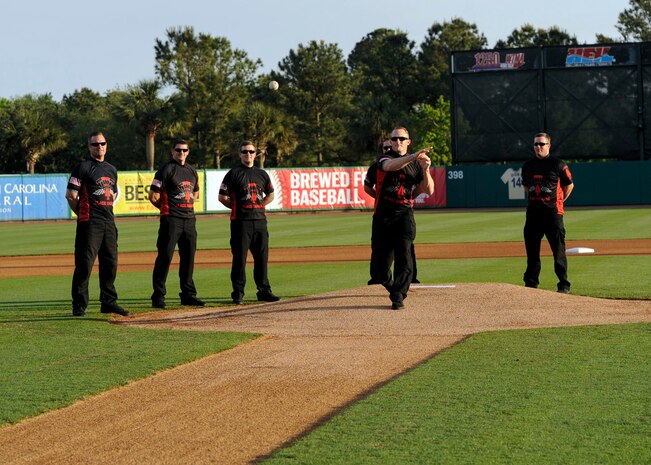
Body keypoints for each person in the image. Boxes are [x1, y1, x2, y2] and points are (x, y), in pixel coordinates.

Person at [370, 127, 434, 310]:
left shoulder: (417, 164)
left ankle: (398, 295)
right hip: (383, 216)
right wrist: (413, 157)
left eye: (401, 138)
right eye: (394, 139)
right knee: (379, 270)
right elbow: (390, 167)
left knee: (404, 254)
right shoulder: (385, 158)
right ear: (390, 142)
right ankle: (391, 286)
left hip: (404, 214)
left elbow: (429, 190)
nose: (397, 142)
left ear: (408, 141)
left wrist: (426, 169)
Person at [65, 132, 128, 317]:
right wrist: (83, 213)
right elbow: (71, 195)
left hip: (109, 221)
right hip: (90, 223)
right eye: (95, 144)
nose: (99, 147)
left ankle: (108, 302)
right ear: (89, 147)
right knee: (85, 264)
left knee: (110, 264)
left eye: (102, 143)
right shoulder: (82, 168)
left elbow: (114, 194)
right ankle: (79, 304)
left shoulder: (111, 169)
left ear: (106, 146)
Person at [218, 140, 280, 305]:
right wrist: (238, 207)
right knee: (240, 259)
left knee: (262, 258)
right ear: (240, 154)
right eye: (245, 152)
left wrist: (259, 205)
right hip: (241, 222)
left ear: (255, 154)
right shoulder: (233, 173)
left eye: (251, 152)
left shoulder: (262, 174)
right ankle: (238, 293)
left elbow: (271, 194)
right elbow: (222, 197)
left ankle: (264, 291)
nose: (248, 154)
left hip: (260, 221)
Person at [148, 139, 205, 309]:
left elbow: (195, 193)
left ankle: (188, 294)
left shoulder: (192, 171)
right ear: (172, 151)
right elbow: (153, 195)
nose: (181, 153)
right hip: (171, 220)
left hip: (189, 220)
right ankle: (158, 296)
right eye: (178, 150)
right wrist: (166, 209)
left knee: (188, 258)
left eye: (184, 150)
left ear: (188, 152)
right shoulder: (165, 170)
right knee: (165, 257)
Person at [521, 132, 574, 293]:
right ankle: (531, 282)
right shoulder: (528, 165)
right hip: (533, 214)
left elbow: (569, 185)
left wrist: (559, 201)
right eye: (536, 144)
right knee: (532, 252)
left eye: (542, 144)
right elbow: (525, 186)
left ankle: (563, 284)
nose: (538, 147)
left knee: (558, 251)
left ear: (549, 146)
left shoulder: (557, 164)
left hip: (553, 214)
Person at [364, 139, 420, 284]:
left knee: (406, 248)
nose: (389, 150)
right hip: (383, 213)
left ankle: (410, 279)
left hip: (403, 212)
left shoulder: (409, 165)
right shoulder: (377, 166)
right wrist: (380, 197)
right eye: (385, 148)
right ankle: (379, 278)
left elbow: (424, 187)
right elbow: (368, 187)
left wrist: (409, 198)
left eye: (391, 147)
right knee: (380, 249)